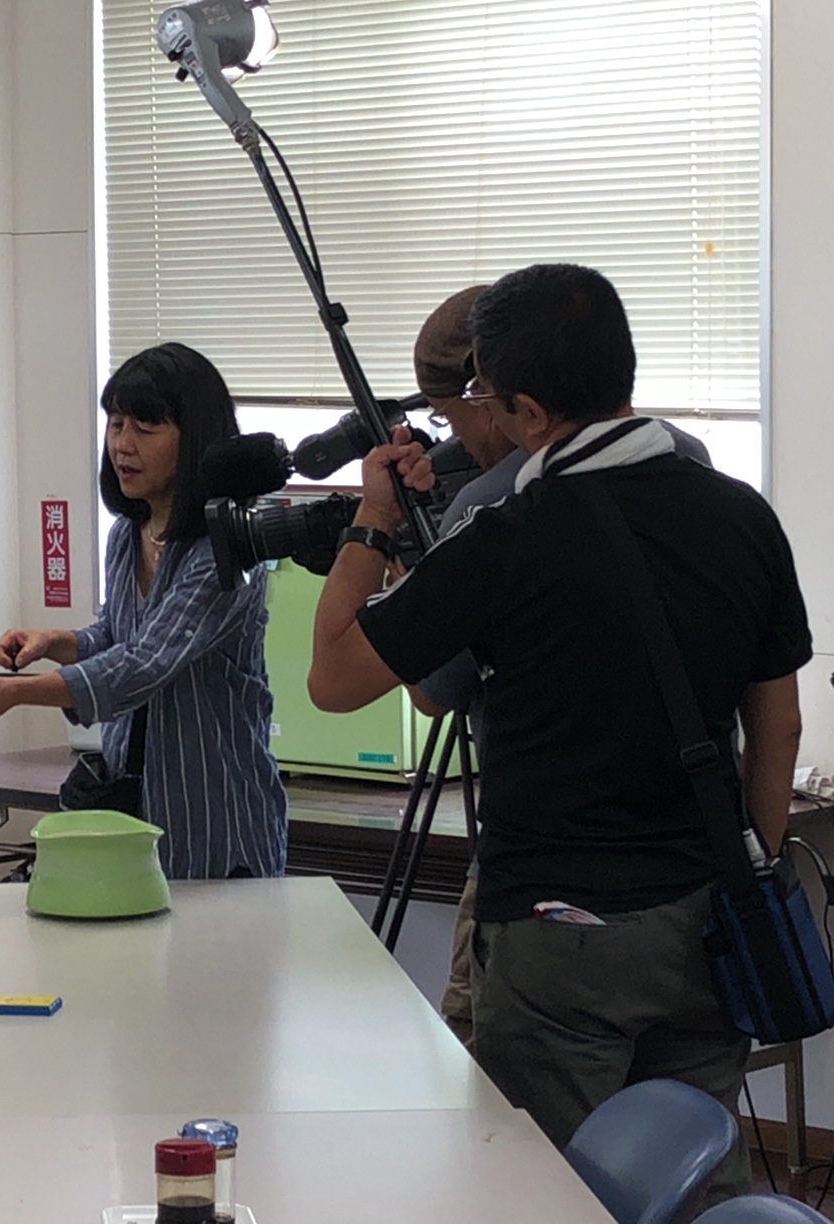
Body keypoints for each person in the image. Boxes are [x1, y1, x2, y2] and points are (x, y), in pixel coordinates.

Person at [308, 263, 809, 1202]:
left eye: (486, 399)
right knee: (693, 1172)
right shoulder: (742, 514)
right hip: (707, 918)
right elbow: (777, 723)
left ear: (530, 411)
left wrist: (372, 522)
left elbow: (333, 679)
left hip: (558, 935)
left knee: (545, 1192)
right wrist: (750, 866)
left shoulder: (503, 536)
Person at [410, 284, 714, 1048]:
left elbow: (431, 690)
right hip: (689, 859)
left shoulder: (489, 513)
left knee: (492, 1083)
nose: (456, 438)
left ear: (497, 396)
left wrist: (388, 549)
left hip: (545, 879)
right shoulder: (692, 464)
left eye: (453, 415)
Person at [0, 342, 288, 879]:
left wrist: (17, 693)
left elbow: (145, 663)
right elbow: (118, 634)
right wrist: (55, 642)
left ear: (196, 438)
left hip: (216, 818)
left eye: (145, 428)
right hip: (133, 807)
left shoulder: (227, 548)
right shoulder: (128, 534)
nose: (122, 445)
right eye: (115, 424)